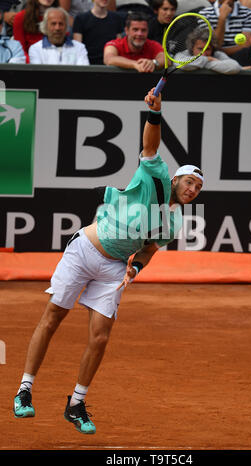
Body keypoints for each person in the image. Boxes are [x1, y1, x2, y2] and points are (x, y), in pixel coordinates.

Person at [13, 87, 204, 435]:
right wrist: (155, 113)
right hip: (85, 250)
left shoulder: (173, 222)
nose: (193, 190)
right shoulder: (157, 175)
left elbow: (148, 249)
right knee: (54, 316)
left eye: (198, 189)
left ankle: (76, 403)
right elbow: (151, 143)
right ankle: (25, 388)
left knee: (100, 338)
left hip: (114, 269)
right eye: (190, 182)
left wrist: (136, 267)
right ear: (176, 179)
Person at [72, 0, 124, 65]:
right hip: (87, 63)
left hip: (110, 64)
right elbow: (77, 47)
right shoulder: (80, 19)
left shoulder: (116, 18)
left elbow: (119, 45)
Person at [175, 27, 241, 73]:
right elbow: (182, 65)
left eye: (207, 49)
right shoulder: (183, 54)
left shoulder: (218, 54)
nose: (203, 53)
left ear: (212, 49)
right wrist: (208, 59)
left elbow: (234, 67)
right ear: (192, 48)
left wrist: (199, 64)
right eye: (200, 49)